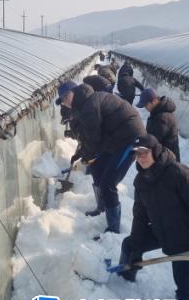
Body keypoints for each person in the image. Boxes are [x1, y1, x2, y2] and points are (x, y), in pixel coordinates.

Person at [118, 134, 189, 300]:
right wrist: (137, 247)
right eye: (137, 154)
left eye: (144, 152)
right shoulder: (141, 180)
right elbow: (140, 216)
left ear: (155, 151)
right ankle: (123, 285)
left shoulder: (178, 174)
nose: (140, 157)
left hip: (186, 240)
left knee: (182, 284)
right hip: (161, 231)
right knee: (130, 245)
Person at [58, 82, 145, 232]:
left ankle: (113, 229)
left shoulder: (88, 107)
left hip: (129, 137)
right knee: (97, 168)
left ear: (75, 91)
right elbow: (87, 138)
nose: (65, 102)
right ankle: (102, 208)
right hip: (114, 138)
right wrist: (79, 155)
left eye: (66, 96)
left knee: (108, 183)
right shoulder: (82, 106)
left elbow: (93, 141)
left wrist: (85, 158)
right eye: (62, 100)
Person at [137, 88, 181, 162]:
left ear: (154, 101)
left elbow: (151, 141)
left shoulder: (163, 118)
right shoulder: (159, 113)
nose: (145, 108)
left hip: (167, 161)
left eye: (146, 105)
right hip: (163, 157)